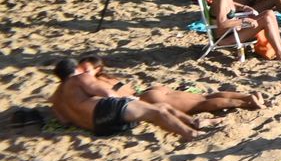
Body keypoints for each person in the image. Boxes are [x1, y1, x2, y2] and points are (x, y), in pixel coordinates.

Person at [50, 57, 207, 141]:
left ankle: (193, 122)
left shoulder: (56, 97)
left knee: (159, 107)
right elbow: (108, 94)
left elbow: (64, 121)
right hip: (106, 109)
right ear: (76, 69)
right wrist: (129, 98)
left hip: (98, 128)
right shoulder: (79, 78)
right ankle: (190, 134)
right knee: (157, 111)